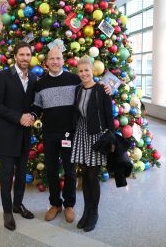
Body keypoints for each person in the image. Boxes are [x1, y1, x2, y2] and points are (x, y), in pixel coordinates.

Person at [32, 47, 111, 224]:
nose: (55, 61)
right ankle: (55, 204)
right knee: (51, 170)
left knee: (69, 171)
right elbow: (37, 106)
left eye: (58, 58)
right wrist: (33, 115)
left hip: (70, 133)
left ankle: (69, 205)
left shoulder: (74, 79)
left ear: (63, 60)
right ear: (46, 62)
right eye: (51, 58)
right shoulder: (40, 83)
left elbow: (91, 87)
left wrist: (106, 87)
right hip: (49, 133)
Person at [0, 41, 37, 231]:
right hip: (8, 134)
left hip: (25, 135)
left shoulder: (33, 78)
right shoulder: (3, 76)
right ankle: (7, 211)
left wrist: (33, 115)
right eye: (22, 55)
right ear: (15, 56)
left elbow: (36, 104)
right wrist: (19, 117)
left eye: (28, 55)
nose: (25, 58)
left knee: (21, 174)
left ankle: (18, 204)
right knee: (7, 174)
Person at [71, 55, 115, 232]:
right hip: (81, 135)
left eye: (86, 70)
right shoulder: (78, 90)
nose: (83, 74)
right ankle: (86, 211)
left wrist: (112, 137)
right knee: (84, 176)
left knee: (92, 176)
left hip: (96, 136)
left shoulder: (101, 90)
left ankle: (94, 213)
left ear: (92, 71)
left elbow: (109, 115)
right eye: (80, 71)